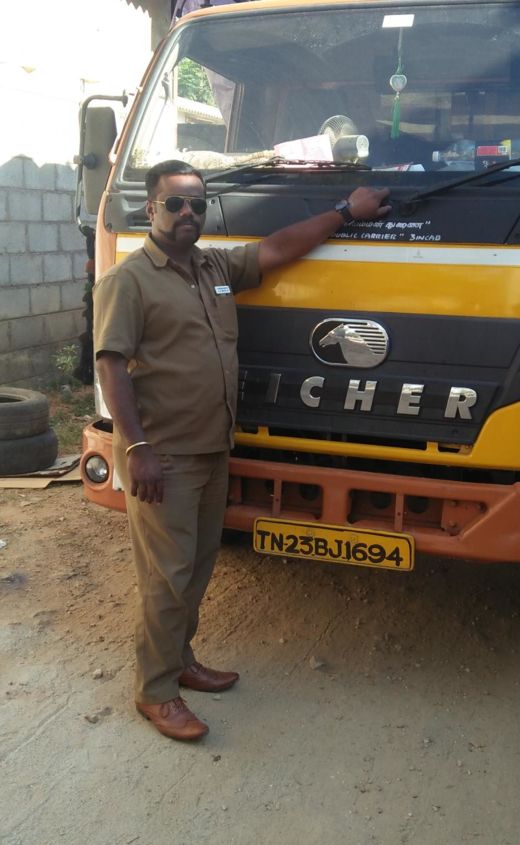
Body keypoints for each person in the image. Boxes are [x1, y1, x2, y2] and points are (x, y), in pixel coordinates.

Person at [93, 159, 390, 741]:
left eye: (197, 204)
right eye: (175, 203)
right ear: (151, 209)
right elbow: (112, 367)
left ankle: (181, 659)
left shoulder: (212, 267)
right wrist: (138, 448)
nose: (187, 213)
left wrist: (344, 213)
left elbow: (277, 248)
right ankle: (156, 691)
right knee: (167, 577)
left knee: (198, 567)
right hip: (165, 454)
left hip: (213, 447)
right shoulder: (129, 280)